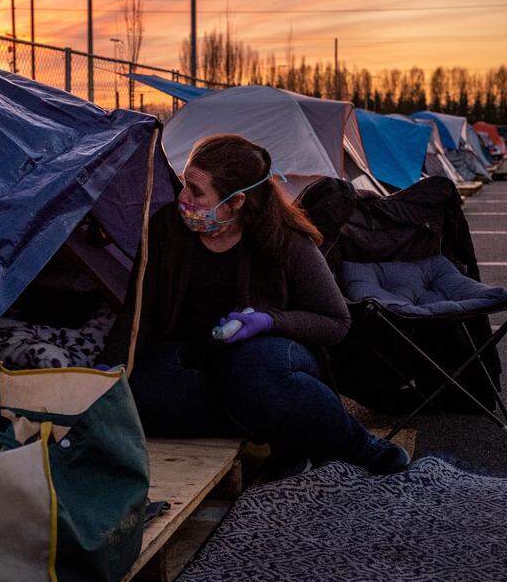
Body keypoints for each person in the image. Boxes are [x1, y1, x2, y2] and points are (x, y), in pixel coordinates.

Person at [98, 134, 409, 474]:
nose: (182, 196)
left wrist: (269, 321)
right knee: (139, 393)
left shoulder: (285, 239)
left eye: (196, 191)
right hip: (193, 357)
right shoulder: (166, 229)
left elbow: (336, 322)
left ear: (236, 202)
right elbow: (137, 310)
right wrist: (110, 372)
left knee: (253, 374)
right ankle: (285, 431)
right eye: (185, 183)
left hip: (266, 354)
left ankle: (361, 446)